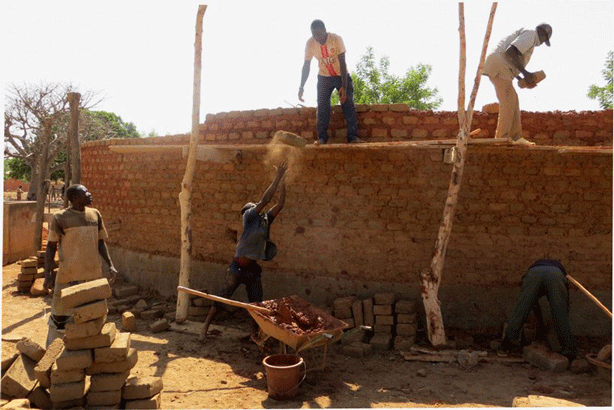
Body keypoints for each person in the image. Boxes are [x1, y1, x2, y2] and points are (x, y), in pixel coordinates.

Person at [201, 163, 288, 340]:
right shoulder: (248, 218)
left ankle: (254, 334)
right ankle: (204, 328)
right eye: (254, 205)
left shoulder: (265, 221)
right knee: (223, 298)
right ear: (248, 211)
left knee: (256, 304)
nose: (257, 205)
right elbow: (265, 200)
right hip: (237, 267)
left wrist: (284, 181)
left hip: (252, 270)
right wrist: (277, 177)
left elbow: (280, 204)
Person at [43, 184, 118, 346]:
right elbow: (50, 247)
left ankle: (89, 352)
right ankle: (52, 353)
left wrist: (110, 265)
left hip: (93, 276)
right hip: (69, 277)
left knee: (93, 315)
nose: (90, 194)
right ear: (75, 198)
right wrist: (47, 274)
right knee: (61, 316)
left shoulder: (95, 215)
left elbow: (100, 242)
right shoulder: (60, 218)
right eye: (86, 193)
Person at [482, 23, 552, 146]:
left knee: (513, 99)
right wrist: (526, 74)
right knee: (508, 100)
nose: (541, 43)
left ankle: (515, 137)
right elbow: (511, 51)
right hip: (499, 65)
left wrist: (521, 78)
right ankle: (501, 139)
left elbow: (512, 57)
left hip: (502, 66)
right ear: (541, 33)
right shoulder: (531, 34)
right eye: (544, 40)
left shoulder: (530, 37)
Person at [498, 259, 578, 363]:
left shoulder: (533, 269)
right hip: (556, 275)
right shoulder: (561, 272)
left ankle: (505, 345)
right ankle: (569, 352)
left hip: (534, 274)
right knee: (560, 314)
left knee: (521, 310)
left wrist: (540, 324)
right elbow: (563, 307)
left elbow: (531, 304)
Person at [299, 19, 362, 145]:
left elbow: (343, 63)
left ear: (325, 30)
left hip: (341, 75)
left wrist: (343, 87)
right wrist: (301, 86)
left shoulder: (336, 39)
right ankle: (322, 138)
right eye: (314, 35)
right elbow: (306, 65)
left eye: (320, 34)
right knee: (322, 106)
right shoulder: (310, 43)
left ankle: (353, 137)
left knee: (347, 103)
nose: (318, 38)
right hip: (324, 77)